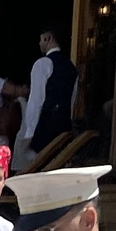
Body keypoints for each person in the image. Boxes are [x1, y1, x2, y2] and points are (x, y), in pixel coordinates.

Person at [20, 28, 76, 168]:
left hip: (44, 129)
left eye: (41, 39)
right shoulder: (71, 67)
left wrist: (30, 133)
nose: (39, 43)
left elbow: (36, 100)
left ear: (48, 38)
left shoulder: (43, 64)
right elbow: (72, 101)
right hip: (64, 128)